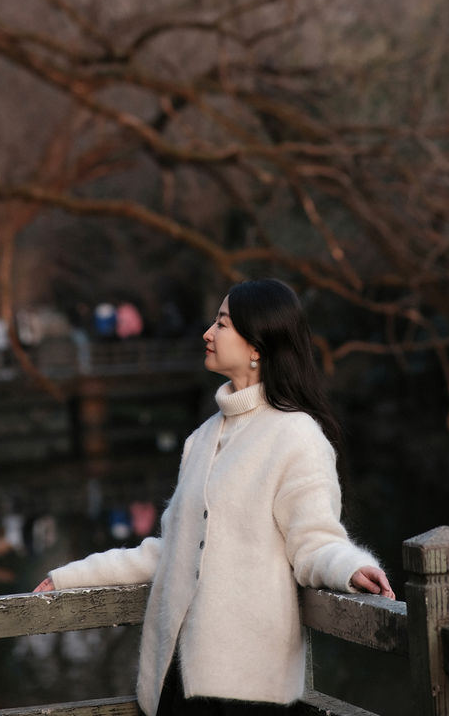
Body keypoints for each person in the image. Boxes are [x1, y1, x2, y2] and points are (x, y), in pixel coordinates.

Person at [33, 278, 395, 715]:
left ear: (258, 346)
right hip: (178, 681)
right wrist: (70, 576)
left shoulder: (296, 434)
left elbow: (314, 540)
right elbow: (170, 552)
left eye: (222, 323)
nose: (208, 333)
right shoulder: (201, 439)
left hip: (248, 689)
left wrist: (352, 568)